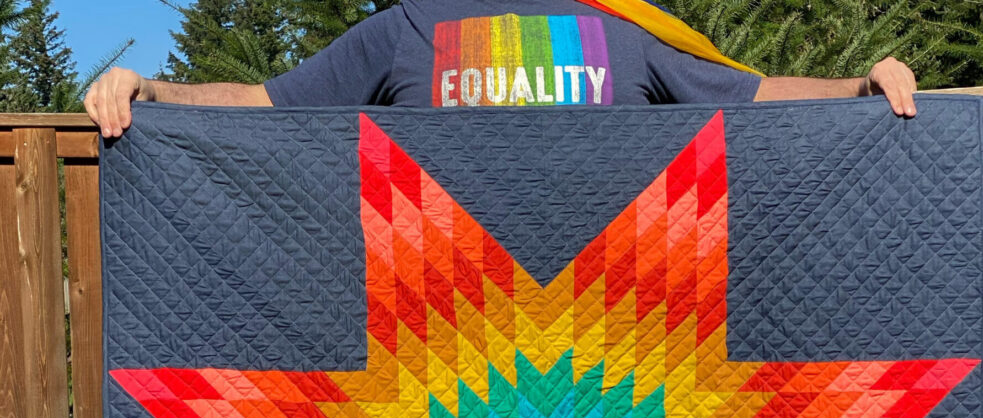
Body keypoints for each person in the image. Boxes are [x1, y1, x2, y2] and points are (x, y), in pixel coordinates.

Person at [85, 0, 918, 138]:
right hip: (439, 362)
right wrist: (151, 88)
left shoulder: (616, 27)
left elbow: (753, 95)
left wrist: (858, 85)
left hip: (618, 353)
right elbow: (266, 103)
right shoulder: (407, 25)